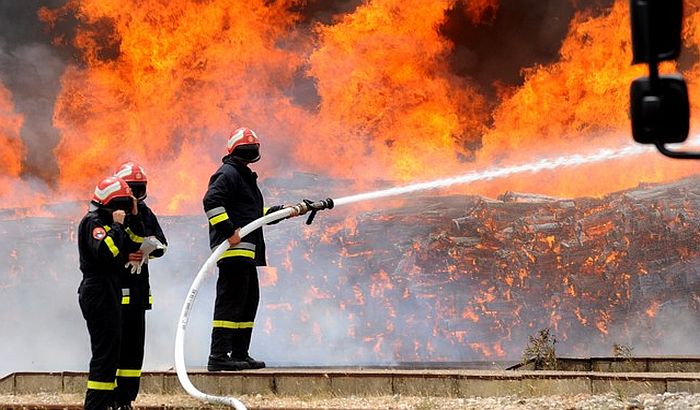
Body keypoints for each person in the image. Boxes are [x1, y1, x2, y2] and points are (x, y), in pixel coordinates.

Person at [203, 127, 291, 371]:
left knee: (248, 301)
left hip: (247, 253)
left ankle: (240, 354)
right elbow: (212, 202)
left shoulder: (242, 176)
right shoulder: (228, 173)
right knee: (230, 302)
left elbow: (251, 216)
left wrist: (274, 214)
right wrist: (228, 231)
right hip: (234, 252)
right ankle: (219, 356)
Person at [78, 176, 141, 410]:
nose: (123, 210)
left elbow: (136, 242)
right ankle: (95, 406)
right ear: (109, 203)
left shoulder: (111, 222)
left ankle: (108, 404)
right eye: (121, 204)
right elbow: (105, 252)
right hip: (98, 291)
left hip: (109, 289)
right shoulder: (93, 223)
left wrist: (133, 216)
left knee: (113, 351)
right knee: (105, 354)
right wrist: (117, 226)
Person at [112, 161, 167, 409]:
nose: (134, 195)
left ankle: (126, 399)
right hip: (112, 292)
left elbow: (161, 245)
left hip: (137, 293)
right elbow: (99, 250)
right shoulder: (107, 213)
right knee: (113, 347)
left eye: (138, 188)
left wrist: (146, 252)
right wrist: (125, 255)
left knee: (134, 350)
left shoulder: (145, 213)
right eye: (130, 189)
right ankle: (109, 397)